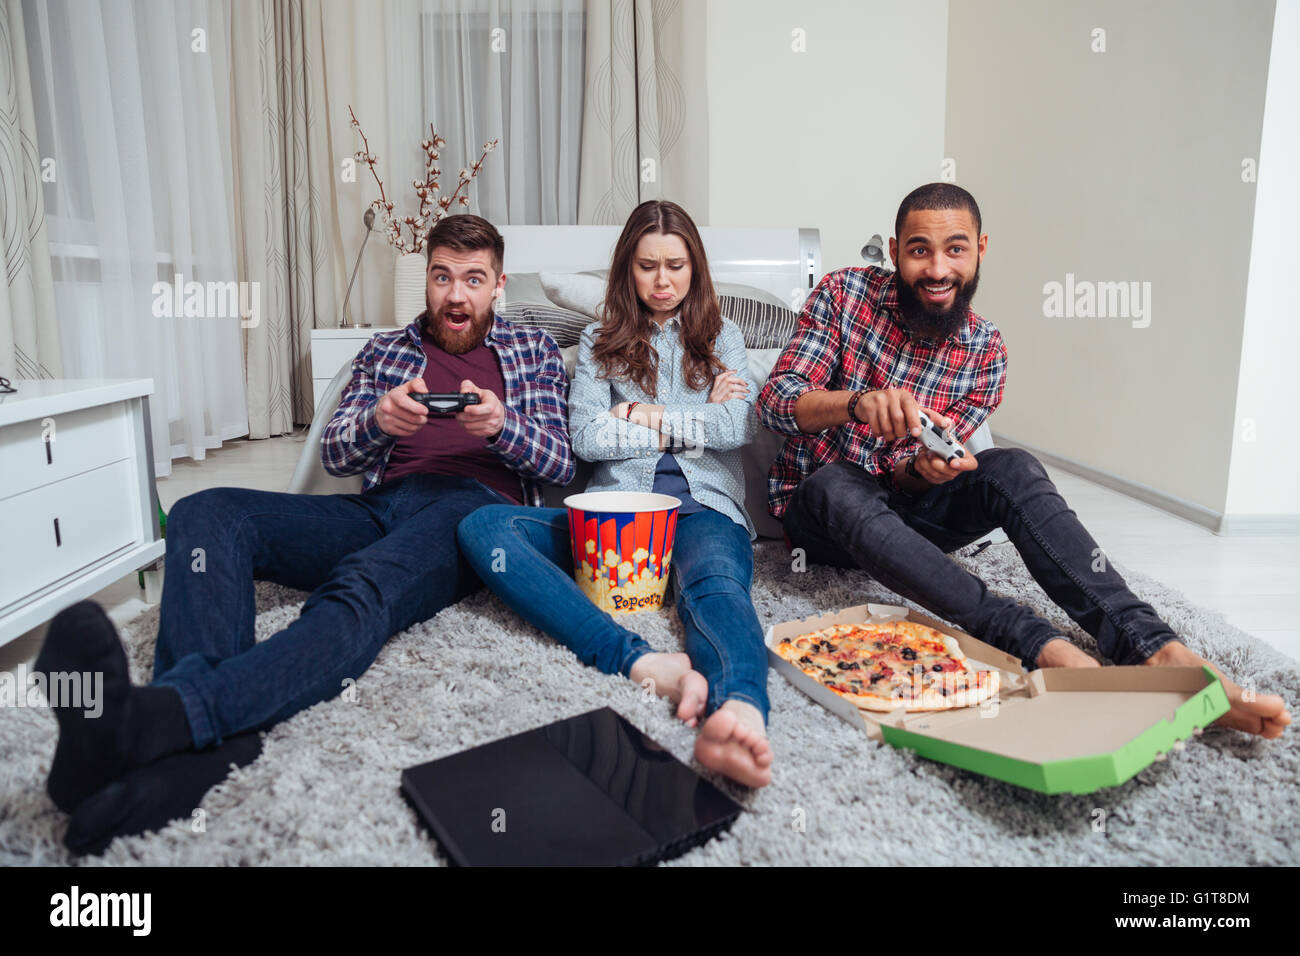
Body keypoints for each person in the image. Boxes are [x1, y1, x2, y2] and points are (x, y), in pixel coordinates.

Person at [35, 214, 575, 853]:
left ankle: (162, 720)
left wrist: (499, 427)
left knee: (361, 584)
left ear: (498, 285)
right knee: (204, 513)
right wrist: (379, 420)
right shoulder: (384, 351)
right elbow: (340, 456)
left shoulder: (533, 352)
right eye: (442, 277)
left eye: (473, 279)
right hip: (377, 507)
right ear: (427, 281)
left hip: (468, 514)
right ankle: (203, 749)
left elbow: (560, 463)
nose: (456, 295)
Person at [757, 182, 1290, 739]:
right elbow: (775, 403)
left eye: (956, 249)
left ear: (981, 250)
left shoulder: (986, 350)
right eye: (920, 251)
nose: (938, 269)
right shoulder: (844, 295)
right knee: (834, 483)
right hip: (822, 517)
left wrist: (924, 471)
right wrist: (857, 403)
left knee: (1012, 466)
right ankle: (1039, 646)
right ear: (895, 253)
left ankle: (1155, 648)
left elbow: (906, 477)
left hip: (902, 510)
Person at [457, 199, 775, 787]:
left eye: (676, 266)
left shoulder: (723, 336)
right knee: (484, 528)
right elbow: (588, 437)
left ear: (695, 269)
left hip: (704, 508)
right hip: (618, 514)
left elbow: (738, 428)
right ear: (628, 269)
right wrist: (696, 414)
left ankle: (740, 707)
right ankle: (636, 658)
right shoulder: (599, 338)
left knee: (718, 588)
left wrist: (642, 411)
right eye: (648, 265)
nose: (662, 281)